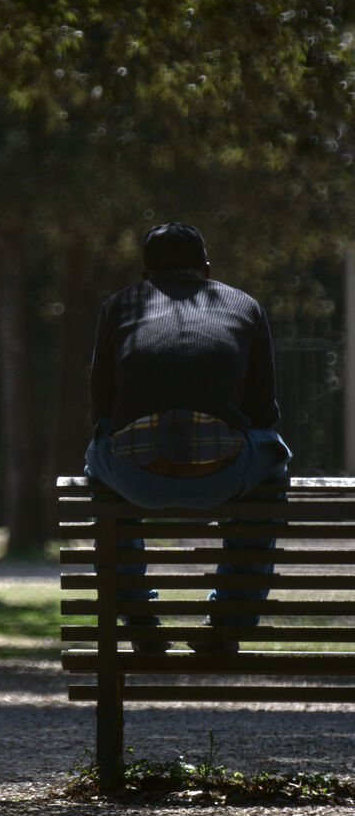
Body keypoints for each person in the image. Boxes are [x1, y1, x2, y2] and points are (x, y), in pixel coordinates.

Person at [84, 222, 291, 653]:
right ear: (207, 270)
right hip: (219, 474)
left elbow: (101, 408)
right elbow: (263, 414)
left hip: (136, 476)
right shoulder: (245, 306)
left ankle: (139, 616)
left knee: (100, 453)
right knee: (272, 454)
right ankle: (228, 622)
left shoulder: (118, 305)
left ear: (145, 275)